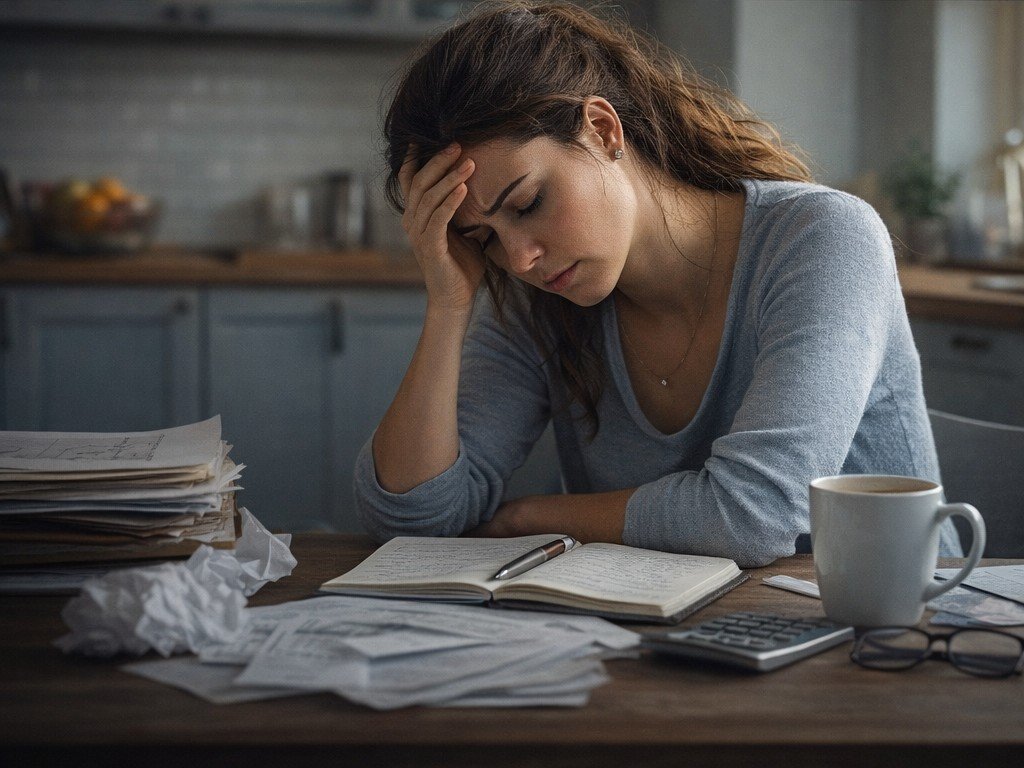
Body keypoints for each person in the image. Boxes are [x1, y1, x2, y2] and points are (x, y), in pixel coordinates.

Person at [353, 0, 962, 567]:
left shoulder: (820, 237)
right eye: (482, 237)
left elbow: (752, 515)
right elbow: (413, 517)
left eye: (529, 202)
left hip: (892, 642)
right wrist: (449, 304)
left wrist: (530, 518)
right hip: (667, 650)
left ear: (601, 129)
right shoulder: (538, 300)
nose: (520, 259)